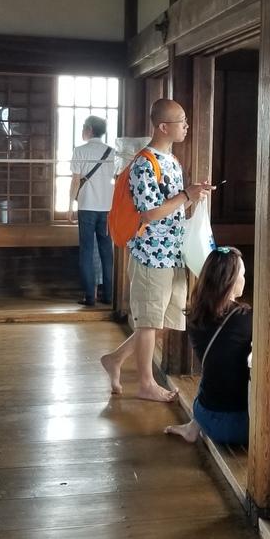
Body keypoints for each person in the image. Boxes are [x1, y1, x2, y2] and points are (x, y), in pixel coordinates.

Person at [100, 99, 213, 402]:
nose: (186, 126)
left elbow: (171, 207)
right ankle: (146, 384)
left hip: (172, 252)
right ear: (164, 126)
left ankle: (114, 359)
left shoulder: (171, 161)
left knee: (160, 320)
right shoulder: (144, 164)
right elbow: (149, 213)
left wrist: (193, 195)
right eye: (181, 121)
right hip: (151, 253)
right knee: (150, 321)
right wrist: (186, 195)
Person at [164, 246, 252, 445]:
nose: (244, 279)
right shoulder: (246, 319)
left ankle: (192, 428)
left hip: (203, 413)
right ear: (229, 280)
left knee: (215, 368)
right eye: (242, 274)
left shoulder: (195, 316)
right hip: (237, 427)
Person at [70, 116, 115, 307]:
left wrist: (70, 206)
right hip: (107, 208)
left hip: (87, 207)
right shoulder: (113, 152)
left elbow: (75, 181)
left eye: (83, 127)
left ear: (89, 129)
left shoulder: (80, 151)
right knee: (107, 253)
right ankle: (109, 296)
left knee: (86, 252)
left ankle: (90, 297)